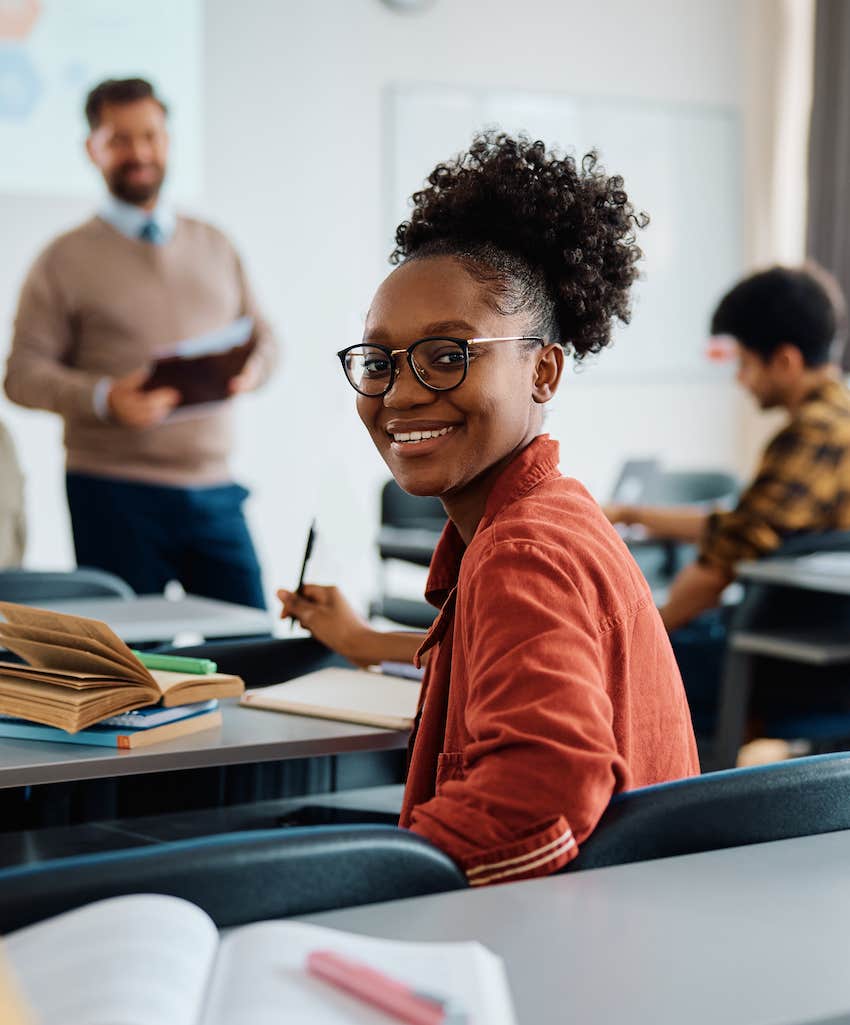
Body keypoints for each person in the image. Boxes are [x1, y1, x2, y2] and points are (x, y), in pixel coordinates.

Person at [280, 133, 698, 884]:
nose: (401, 394)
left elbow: (544, 790)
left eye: (448, 356)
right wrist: (363, 638)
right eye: (377, 362)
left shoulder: (522, 550)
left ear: (543, 370)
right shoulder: (551, 516)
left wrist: (371, 891)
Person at [4, 78, 276, 608]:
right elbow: (21, 375)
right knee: (127, 669)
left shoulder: (215, 244)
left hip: (216, 491)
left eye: (150, 136)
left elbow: (266, 339)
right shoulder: (62, 259)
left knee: (253, 647)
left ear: (168, 140)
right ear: (93, 148)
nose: (139, 153)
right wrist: (105, 398)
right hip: (113, 495)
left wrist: (254, 370)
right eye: (120, 139)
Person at [605, 265, 850, 636]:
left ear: (785, 361)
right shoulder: (838, 421)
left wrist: (639, 641)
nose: (739, 377)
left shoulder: (811, 435)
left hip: (773, 650)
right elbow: (741, 525)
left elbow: (718, 568)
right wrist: (630, 512)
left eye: (745, 363)